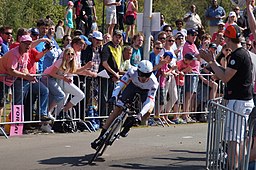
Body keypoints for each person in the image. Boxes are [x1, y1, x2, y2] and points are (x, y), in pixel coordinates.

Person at [200, 24, 254, 169]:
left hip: (238, 102)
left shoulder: (237, 55)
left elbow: (225, 77)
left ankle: (234, 167)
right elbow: (228, 73)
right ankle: (240, 166)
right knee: (239, 138)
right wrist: (216, 67)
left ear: (228, 39)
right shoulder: (242, 53)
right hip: (242, 102)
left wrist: (211, 61)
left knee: (233, 140)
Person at [91, 60, 159, 149]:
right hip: (133, 87)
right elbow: (120, 85)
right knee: (117, 110)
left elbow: (148, 101)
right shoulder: (132, 71)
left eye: (147, 75)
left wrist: (140, 114)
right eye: (142, 74)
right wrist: (114, 96)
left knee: (148, 111)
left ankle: (128, 126)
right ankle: (100, 137)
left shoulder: (154, 82)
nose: (144, 78)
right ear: (138, 71)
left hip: (145, 92)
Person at [99, 30, 123, 116]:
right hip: (106, 75)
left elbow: (118, 63)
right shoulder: (107, 47)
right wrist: (114, 73)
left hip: (114, 76)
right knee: (104, 98)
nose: (118, 39)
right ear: (113, 36)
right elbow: (104, 63)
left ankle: (109, 116)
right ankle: (102, 117)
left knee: (112, 98)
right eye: (116, 36)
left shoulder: (119, 48)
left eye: (119, 37)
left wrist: (118, 73)